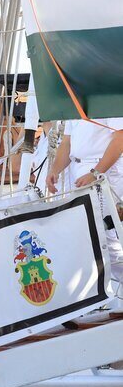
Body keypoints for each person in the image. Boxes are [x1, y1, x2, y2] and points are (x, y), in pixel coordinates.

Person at [46, 117, 123, 312]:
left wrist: (96, 172)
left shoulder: (106, 99)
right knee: (85, 238)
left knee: (107, 237)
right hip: (78, 171)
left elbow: (120, 137)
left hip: (103, 171)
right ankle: (93, 298)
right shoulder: (76, 101)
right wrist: (54, 170)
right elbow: (67, 143)